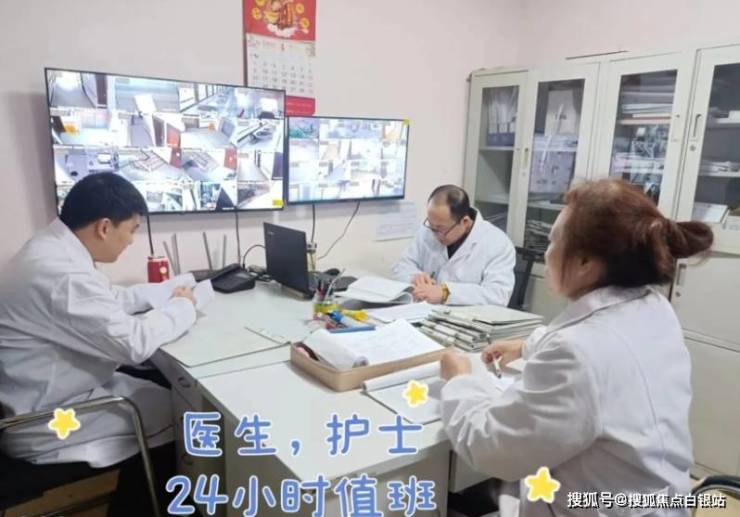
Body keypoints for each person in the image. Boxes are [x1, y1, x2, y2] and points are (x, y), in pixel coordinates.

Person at [439, 179, 713, 516]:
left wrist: (461, 381)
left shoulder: (579, 353)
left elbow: (491, 447)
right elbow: (597, 339)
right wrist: (526, 346)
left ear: (585, 262)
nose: (546, 252)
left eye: (553, 241)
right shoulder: (652, 307)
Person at [0, 174, 198, 513]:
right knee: (183, 415)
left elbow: (106, 297)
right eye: (132, 230)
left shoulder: (50, 249)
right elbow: (134, 344)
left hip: (46, 392)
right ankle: (144, 506)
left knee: (160, 390)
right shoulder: (64, 275)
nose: (132, 241)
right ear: (105, 227)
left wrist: (166, 291)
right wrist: (182, 308)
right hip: (49, 419)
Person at [392, 185, 515, 305]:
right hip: (425, 310)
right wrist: (414, 277)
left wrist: (446, 293)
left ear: (465, 222)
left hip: (468, 316)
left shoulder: (497, 243)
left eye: (441, 229)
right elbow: (401, 266)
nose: (435, 234)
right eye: (431, 226)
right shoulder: (429, 230)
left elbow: (498, 295)